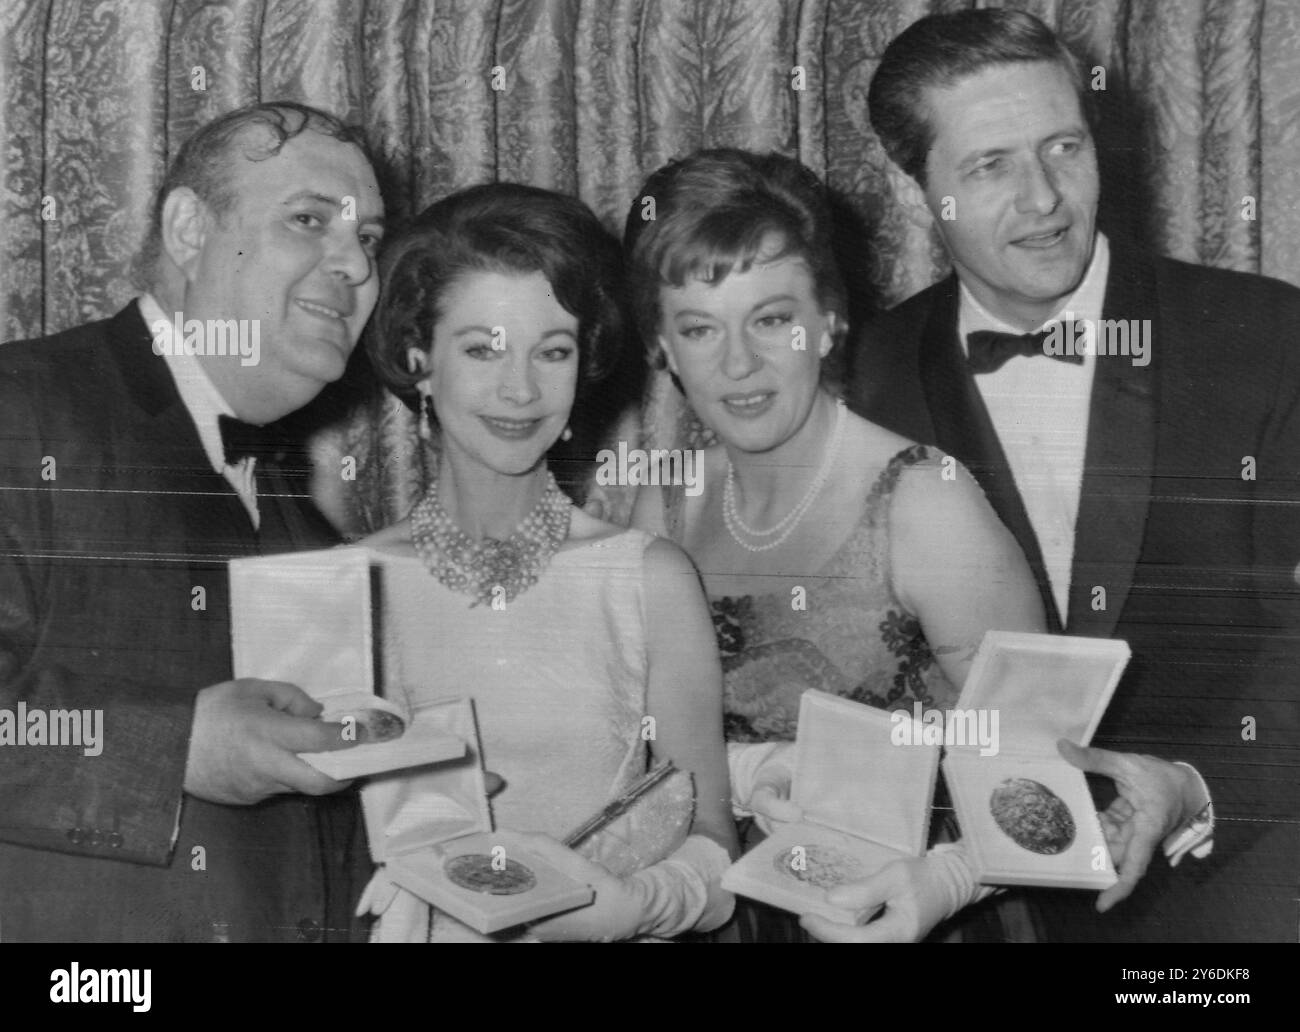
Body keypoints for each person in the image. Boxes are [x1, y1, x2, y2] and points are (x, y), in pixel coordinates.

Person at [845, 8, 1300, 942]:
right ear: (914, 194)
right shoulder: (871, 374)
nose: (1046, 198)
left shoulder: (1267, 337)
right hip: (971, 902)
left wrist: (1194, 784)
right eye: (990, 166)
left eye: (1064, 146)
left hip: (1239, 870)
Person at [624, 148, 1049, 941]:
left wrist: (947, 880)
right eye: (699, 329)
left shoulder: (924, 502)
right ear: (662, 346)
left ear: (829, 321)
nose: (739, 363)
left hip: (912, 919)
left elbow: (1041, 763)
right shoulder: (666, 502)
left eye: (772, 319)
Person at [0, 101, 385, 941]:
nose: (354, 264)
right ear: (187, 230)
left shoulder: (304, 525)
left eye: (369, 240)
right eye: (310, 220)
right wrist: (175, 748)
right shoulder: (21, 408)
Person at [355, 183, 737, 942]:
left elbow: (717, 842)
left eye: (552, 350)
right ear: (417, 358)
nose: (522, 389)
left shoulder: (647, 577)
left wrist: (628, 908)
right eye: (481, 349)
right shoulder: (350, 582)